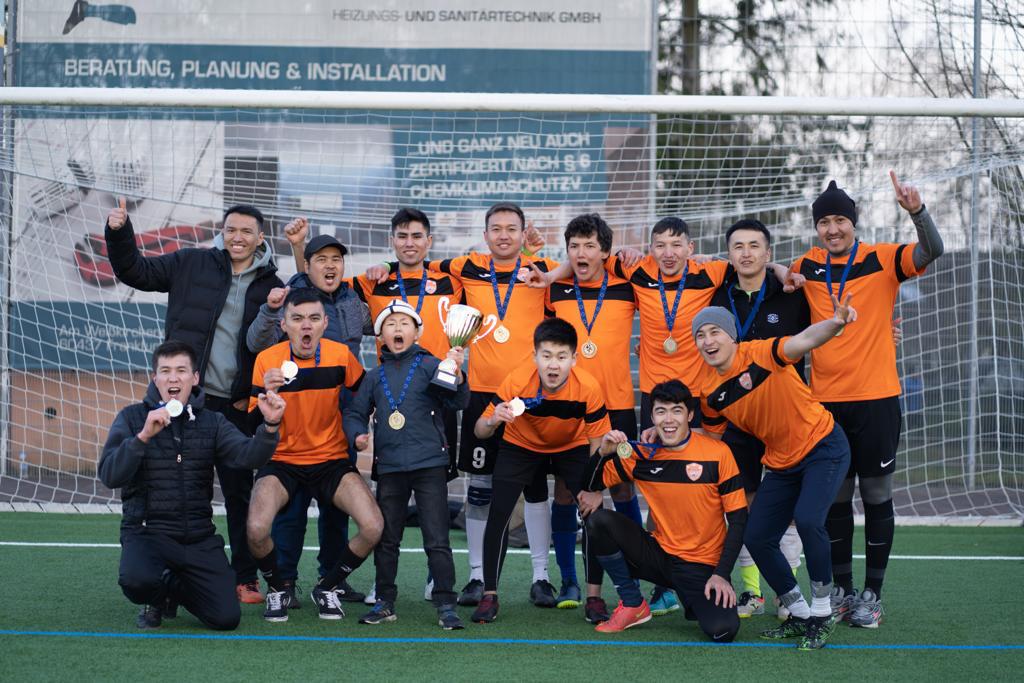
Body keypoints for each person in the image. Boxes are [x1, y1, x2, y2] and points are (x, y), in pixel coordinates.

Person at [365, 202, 559, 608]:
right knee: (479, 488)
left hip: (528, 392)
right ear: (485, 235)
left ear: (524, 232)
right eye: (496, 228)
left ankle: (541, 577)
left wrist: (543, 259)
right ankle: (475, 576)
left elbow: (581, 269)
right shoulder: (465, 268)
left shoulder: (543, 270)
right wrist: (383, 265)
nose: (503, 235)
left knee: (536, 487)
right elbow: (415, 260)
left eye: (511, 228)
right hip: (481, 393)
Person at [106, 199, 282, 605]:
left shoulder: (271, 285)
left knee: (239, 494)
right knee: (167, 486)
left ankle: (245, 577)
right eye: (231, 229)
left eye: (246, 231)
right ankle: (157, 572)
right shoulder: (191, 263)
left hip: (235, 407)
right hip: (186, 403)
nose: (237, 237)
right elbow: (135, 270)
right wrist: (119, 232)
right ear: (222, 232)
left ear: (260, 238)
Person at [787, 174, 944, 627]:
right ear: (817, 227)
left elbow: (931, 250)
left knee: (875, 494)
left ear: (853, 223)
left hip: (876, 399)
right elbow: (783, 280)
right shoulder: (806, 265)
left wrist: (917, 212)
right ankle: (842, 589)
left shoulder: (883, 258)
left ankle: (872, 595)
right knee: (834, 499)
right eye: (824, 222)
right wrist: (782, 273)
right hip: (825, 404)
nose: (832, 229)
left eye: (840, 220)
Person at [690, 303, 855, 649]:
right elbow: (710, 441)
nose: (707, 341)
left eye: (715, 332)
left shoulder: (761, 353)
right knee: (757, 536)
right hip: (781, 463)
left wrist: (835, 322)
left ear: (732, 336)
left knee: (808, 520)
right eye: (700, 335)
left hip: (823, 446)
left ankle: (823, 612)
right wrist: (663, 439)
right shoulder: (709, 392)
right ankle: (800, 613)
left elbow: (805, 339)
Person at [99, 340, 285, 630]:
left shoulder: (212, 422)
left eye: (181, 371)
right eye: (165, 371)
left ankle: (171, 587)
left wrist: (270, 427)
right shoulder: (133, 418)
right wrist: (142, 438)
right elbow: (110, 475)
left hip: (198, 536)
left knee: (226, 618)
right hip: (149, 533)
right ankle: (155, 596)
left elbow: (248, 456)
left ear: (195, 378)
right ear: (155, 378)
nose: (173, 378)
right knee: (136, 581)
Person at [246, 225, 370, 607]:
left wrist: (357, 425)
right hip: (287, 443)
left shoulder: (353, 299)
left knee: (336, 516)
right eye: (321, 260)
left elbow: (363, 389)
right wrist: (298, 245)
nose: (330, 266)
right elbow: (255, 416)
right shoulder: (291, 301)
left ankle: (331, 581)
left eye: (336, 260)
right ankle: (284, 583)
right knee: (289, 517)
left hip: (335, 431)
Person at [469, 318, 612, 624]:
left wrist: (594, 488)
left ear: (574, 358)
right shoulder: (517, 380)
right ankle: (490, 595)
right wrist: (493, 419)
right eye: (546, 355)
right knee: (499, 512)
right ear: (534, 356)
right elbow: (480, 430)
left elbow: (597, 445)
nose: (553, 364)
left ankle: (594, 598)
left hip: (571, 446)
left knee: (594, 514)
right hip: (520, 445)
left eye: (561, 356)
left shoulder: (588, 387)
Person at [582, 380, 746, 642]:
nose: (668, 420)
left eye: (676, 411)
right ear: (652, 416)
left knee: (723, 631)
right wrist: (602, 453)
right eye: (661, 411)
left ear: (690, 415)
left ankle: (693, 597)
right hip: (659, 555)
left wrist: (721, 574)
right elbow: (589, 484)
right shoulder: (642, 454)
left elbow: (738, 519)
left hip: (701, 565)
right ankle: (632, 603)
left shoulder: (718, 454)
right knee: (599, 521)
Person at [344, 300, 470, 629]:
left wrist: (458, 373)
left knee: (437, 538)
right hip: (389, 467)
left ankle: (446, 603)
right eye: (390, 324)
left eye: (404, 323)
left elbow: (457, 401)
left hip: (429, 464)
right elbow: (355, 413)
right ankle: (385, 601)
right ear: (380, 336)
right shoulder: (374, 376)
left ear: (417, 332)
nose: (397, 329)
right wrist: (357, 434)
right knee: (387, 539)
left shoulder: (431, 365)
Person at [709, 218, 811, 618]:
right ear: (729, 254)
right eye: (738, 246)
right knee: (744, 502)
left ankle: (789, 594)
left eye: (754, 246)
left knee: (789, 510)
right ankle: (752, 592)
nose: (746, 253)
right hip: (740, 417)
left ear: (768, 254)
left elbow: (823, 333)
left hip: (787, 417)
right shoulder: (718, 295)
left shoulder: (792, 293)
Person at [544, 213, 643, 622]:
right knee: (567, 492)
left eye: (590, 245)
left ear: (605, 251)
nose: (581, 253)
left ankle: (633, 575)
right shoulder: (555, 290)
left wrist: (629, 254)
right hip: (571, 406)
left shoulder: (627, 286)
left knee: (622, 489)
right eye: (574, 246)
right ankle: (569, 579)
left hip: (617, 406)